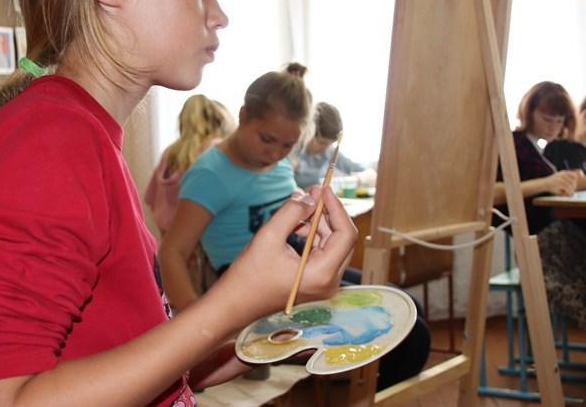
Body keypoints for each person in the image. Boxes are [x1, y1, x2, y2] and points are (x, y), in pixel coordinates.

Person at [0, 0, 358, 406]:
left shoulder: (82, 135)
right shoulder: (49, 144)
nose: (219, 14)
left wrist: (261, 315)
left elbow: (123, 359)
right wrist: (231, 303)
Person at [159, 64, 429, 390]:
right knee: (411, 340)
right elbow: (171, 252)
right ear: (243, 116)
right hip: (252, 280)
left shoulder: (279, 163)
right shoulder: (210, 175)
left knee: (406, 307)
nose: (275, 153)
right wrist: (199, 329)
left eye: (287, 145)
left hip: (297, 261)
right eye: (267, 139)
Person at [493, 81, 586, 328]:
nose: (553, 126)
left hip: (553, 233)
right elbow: (492, 194)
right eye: (547, 119)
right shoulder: (513, 144)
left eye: (559, 120)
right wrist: (546, 183)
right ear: (529, 112)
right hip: (541, 240)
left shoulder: (539, 149)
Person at [144, 94, 234, 237]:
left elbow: (150, 198)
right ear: (220, 121)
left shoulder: (169, 153)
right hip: (202, 238)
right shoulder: (214, 150)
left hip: (169, 236)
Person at [293, 101, 375, 190]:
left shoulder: (329, 151)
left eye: (330, 143)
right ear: (308, 131)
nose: (326, 148)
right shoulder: (291, 152)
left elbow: (367, 173)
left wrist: (359, 179)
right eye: (322, 143)